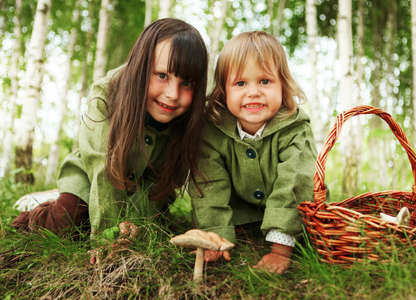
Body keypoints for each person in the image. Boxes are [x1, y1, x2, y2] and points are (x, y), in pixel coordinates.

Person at [12, 18, 208, 240]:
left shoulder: (191, 117)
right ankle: (37, 212)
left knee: (149, 229)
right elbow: (103, 167)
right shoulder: (107, 94)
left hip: (144, 190)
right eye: (162, 76)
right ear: (142, 67)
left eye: (187, 83)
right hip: (93, 174)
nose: (173, 94)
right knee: (67, 220)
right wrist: (109, 236)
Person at [189, 31, 317, 274]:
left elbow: (295, 182)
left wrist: (280, 249)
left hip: (296, 209)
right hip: (242, 211)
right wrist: (215, 234)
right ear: (224, 91)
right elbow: (209, 184)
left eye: (265, 81)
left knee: (299, 193)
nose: (253, 92)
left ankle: (283, 232)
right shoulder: (212, 130)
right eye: (240, 83)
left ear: (283, 85)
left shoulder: (295, 127)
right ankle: (233, 228)